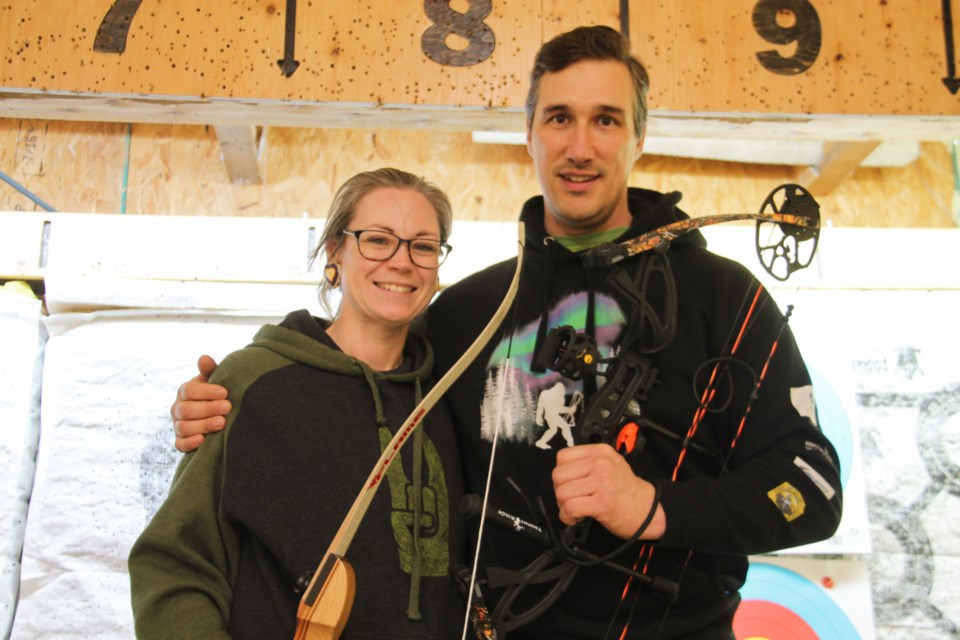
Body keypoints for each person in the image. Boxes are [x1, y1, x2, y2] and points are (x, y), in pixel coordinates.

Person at [169, 26, 843, 639]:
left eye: (605, 120)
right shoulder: (468, 312)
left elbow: (813, 489)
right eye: (559, 118)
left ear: (638, 136)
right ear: (530, 134)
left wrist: (652, 506)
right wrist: (227, 401)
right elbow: (357, 393)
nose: (580, 147)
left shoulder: (724, 297)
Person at [129, 168, 466, 639]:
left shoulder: (454, 396)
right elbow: (176, 562)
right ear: (335, 250)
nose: (402, 261)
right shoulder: (253, 382)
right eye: (377, 240)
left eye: (423, 245)